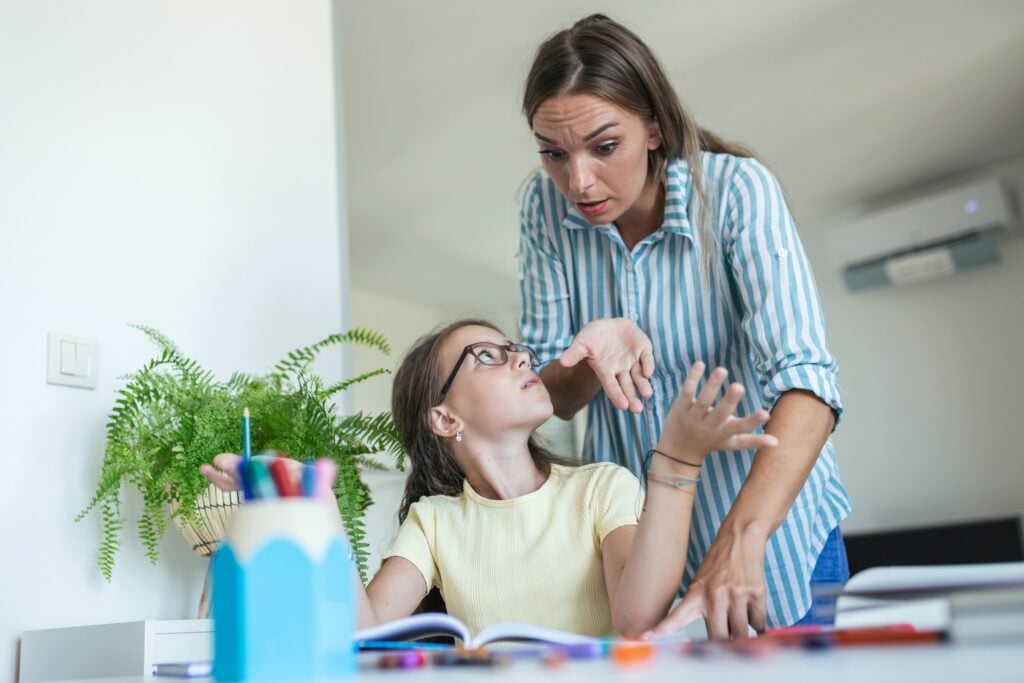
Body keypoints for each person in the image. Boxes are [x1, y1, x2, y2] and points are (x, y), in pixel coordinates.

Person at [518, 14, 851, 638]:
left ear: (653, 126)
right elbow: (551, 397)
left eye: (604, 145)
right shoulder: (542, 210)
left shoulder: (735, 192)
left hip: (770, 541)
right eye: (554, 154)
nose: (578, 181)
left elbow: (808, 384)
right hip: (640, 558)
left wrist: (741, 539)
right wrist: (591, 348)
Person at [201, 319, 776, 637]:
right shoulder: (434, 523)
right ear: (445, 418)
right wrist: (317, 503)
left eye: (514, 350)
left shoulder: (602, 488)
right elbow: (364, 629)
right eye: (487, 356)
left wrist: (677, 463)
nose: (523, 359)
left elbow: (637, 618)